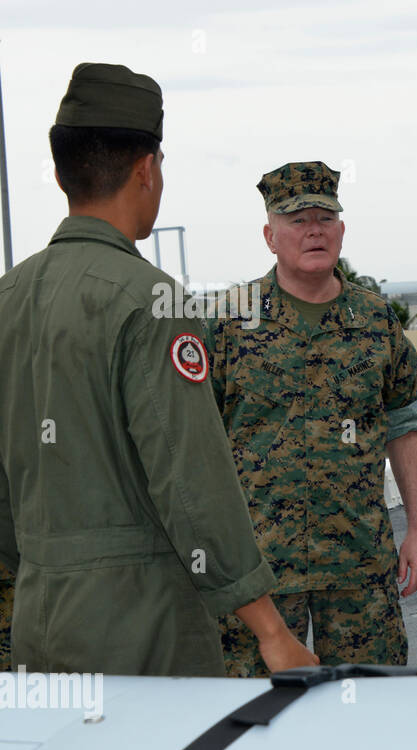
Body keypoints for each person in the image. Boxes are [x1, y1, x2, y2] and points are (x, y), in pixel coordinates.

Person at [0, 63, 316, 676]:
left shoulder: (9, 296)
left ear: (64, 173)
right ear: (147, 170)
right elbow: (191, 479)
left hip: (39, 618)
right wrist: (272, 632)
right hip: (140, 626)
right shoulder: (150, 300)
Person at [205, 162, 417, 677]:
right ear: (270, 236)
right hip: (258, 574)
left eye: (324, 217)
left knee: (372, 714)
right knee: (254, 718)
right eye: (296, 219)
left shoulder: (376, 321)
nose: (314, 229)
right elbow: (197, 441)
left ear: (341, 230)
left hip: (359, 565)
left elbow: (404, 422)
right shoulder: (228, 322)